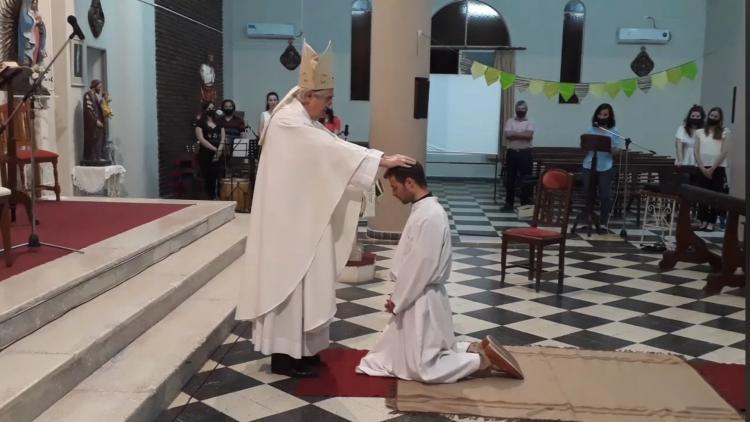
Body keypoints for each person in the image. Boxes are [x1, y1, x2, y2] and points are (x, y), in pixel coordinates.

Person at [236, 41, 416, 378]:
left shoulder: (304, 120)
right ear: (308, 96)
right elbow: (328, 149)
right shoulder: (289, 122)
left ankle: (304, 351)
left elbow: (333, 146)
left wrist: (375, 160)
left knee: (310, 284)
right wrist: (381, 159)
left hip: (306, 219)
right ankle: (285, 356)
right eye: (327, 100)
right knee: (291, 286)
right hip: (288, 225)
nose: (329, 106)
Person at [356, 163, 524, 383]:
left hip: (421, 297)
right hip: (417, 293)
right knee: (390, 356)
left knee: (423, 368)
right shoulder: (423, 210)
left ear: (410, 183)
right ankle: (471, 349)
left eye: (395, 188)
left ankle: (481, 360)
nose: (394, 194)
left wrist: (398, 299)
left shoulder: (430, 216)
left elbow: (420, 267)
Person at [582, 103, 623, 231]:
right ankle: (589, 220)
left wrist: (610, 148)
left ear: (610, 116)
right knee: (589, 193)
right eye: (600, 114)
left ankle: (604, 222)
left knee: (605, 195)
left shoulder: (614, 131)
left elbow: (617, 150)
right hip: (589, 165)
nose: (602, 116)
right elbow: (584, 146)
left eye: (605, 115)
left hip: (605, 166)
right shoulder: (591, 129)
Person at [693, 106, 729, 231]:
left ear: (719, 119)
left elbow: (724, 152)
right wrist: (703, 168)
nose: (712, 118)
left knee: (714, 196)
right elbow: (696, 151)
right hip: (702, 167)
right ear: (708, 116)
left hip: (718, 168)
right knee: (702, 195)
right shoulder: (700, 132)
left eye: (715, 117)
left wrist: (712, 168)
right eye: (711, 115)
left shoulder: (725, 131)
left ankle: (711, 222)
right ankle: (702, 220)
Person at [502, 100, 535, 211]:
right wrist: (522, 134)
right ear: (515, 109)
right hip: (512, 153)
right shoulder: (510, 121)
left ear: (526, 110)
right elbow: (508, 135)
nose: (521, 111)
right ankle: (509, 203)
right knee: (510, 179)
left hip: (525, 153)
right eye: (519, 109)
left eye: (523, 109)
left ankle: (525, 204)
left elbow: (529, 136)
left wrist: (515, 134)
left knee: (526, 179)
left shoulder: (530, 122)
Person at [194, 101, 225, 199]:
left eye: (212, 108)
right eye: (209, 108)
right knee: (208, 177)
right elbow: (201, 139)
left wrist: (219, 150)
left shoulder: (219, 122)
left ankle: (217, 196)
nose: (211, 110)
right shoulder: (200, 123)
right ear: (204, 110)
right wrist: (214, 149)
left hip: (218, 153)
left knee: (216, 175)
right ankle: (209, 197)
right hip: (205, 153)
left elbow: (223, 138)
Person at [82, 79, 107, 162]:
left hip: (98, 122)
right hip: (92, 123)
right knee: (93, 139)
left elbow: (100, 108)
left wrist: (104, 99)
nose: (100, 89)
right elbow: (89, 110)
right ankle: (93, 157)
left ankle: (98, 156)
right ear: (95, 86)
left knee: (100, 139)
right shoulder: (88, 95)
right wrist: (95, 120)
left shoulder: (96, 96)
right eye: (99, 87)